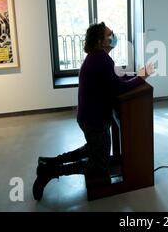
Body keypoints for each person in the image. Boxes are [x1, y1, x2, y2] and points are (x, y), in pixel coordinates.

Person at [33, 22, 153, 200]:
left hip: (89, 117)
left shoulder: (97, 57)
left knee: (92, 148)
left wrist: (136, 75)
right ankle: (50, 171)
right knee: (98, 165)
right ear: (99, 41)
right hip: (95, 120)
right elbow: (118, 88)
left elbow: (116, 76)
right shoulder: (101, 58)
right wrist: (142, 77)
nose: (113, 37)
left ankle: (51, 161)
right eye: (110, 35)